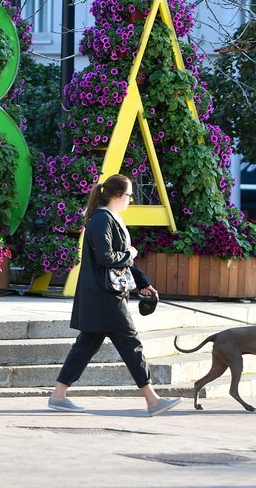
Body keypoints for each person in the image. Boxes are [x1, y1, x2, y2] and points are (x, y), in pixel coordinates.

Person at [48, 174, 182, 416]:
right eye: (130, 195)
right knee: (131, 342)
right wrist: (129, 254)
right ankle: (152, 399)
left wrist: (144, 283)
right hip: (105, 297)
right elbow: (106, 258)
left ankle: (59, 395)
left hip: (104, 294)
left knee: (86, 345)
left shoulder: (111, 219)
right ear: (118, 195)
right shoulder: (102, 220)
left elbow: (123, 259)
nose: (131, 199)